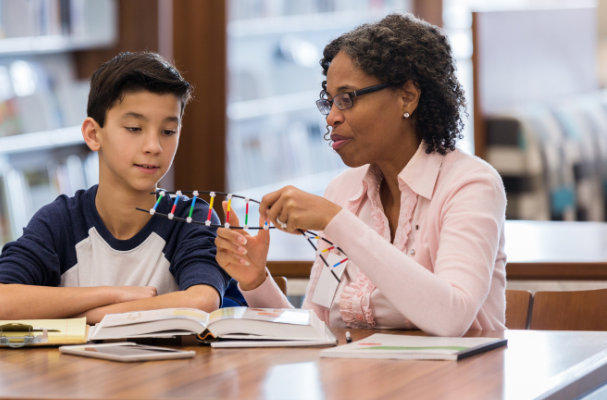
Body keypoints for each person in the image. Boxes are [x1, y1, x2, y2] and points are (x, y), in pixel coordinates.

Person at [215, 14, 507, 337]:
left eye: (347, 98)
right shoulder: (342, 192)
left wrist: (336, 221)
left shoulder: (471, 185)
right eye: (329, 102)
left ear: (407, 96)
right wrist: (256, 281)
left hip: (453, 385)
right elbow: (317, 331)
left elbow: (452, 317)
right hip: (360, 384)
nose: (331, 118)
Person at [0, 52, 229, 324]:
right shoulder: (60, 221)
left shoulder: (191, 218)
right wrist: (118, 295)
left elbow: (202, 302)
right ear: (93, 134)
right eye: (134, 128)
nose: (154, 147)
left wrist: (88, 315)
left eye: (168, 131)